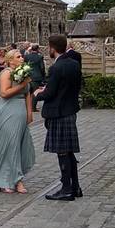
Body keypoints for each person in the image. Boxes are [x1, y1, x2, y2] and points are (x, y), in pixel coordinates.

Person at [0, 49, 36, 194]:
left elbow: (28, 93)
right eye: (18, 56)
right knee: (10, 143)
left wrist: (29, 112)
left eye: (22, 56)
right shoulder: (7, 73)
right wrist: (22, 85)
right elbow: (4, 93)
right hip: (7, 109)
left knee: (18, 143)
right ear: (10, 60)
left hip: (20, 109)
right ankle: (16, 180)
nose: (22, 58)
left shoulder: (23, 72)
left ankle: (4, 179)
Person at [34, 34, 83, 201]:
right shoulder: (74, 64)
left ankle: (67, 189)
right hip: (70, 110)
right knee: (68, 152)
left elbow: (50, 93)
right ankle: (75, 187)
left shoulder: (57, 67)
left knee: (62, 152)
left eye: (49, 47)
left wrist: (37, 94)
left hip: (58, 113)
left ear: (52, 48)